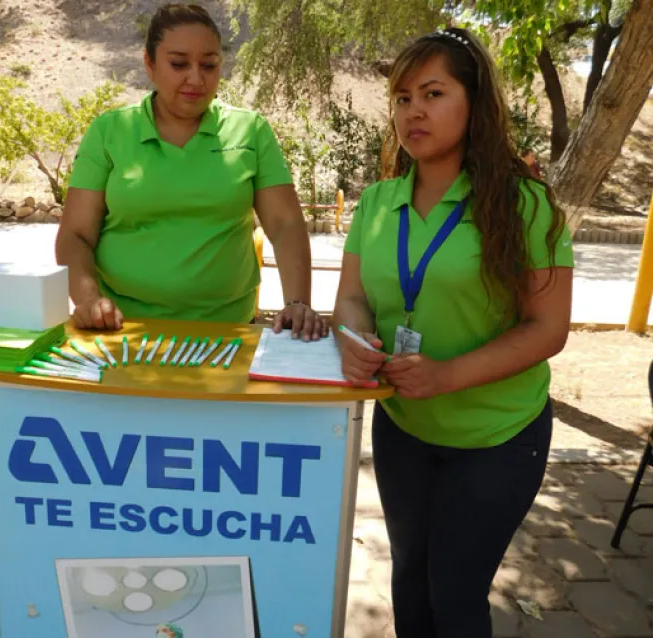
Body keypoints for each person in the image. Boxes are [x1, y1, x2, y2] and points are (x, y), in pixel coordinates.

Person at [333, 28, 573, 637]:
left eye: (433, 93)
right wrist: (354, 339)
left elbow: (547, 330)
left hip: (497, 436)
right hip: (404, 430)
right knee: (409, 581)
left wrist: (446, 376)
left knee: (456, 594)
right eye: (403, 97)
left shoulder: (523, 204)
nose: (414, 110)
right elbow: (354, 299)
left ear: (474, 103)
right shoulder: (377, 202)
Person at [56, 3, 327, 339]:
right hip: (121, 330)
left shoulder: (250, 131)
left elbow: (285, 225)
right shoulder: (110, 132)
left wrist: (298, 302)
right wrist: (89, 300)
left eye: (209, 65)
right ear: (149, 64)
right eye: (179, 63)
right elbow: (75, 235)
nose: (196, 78)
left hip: (228, 333)